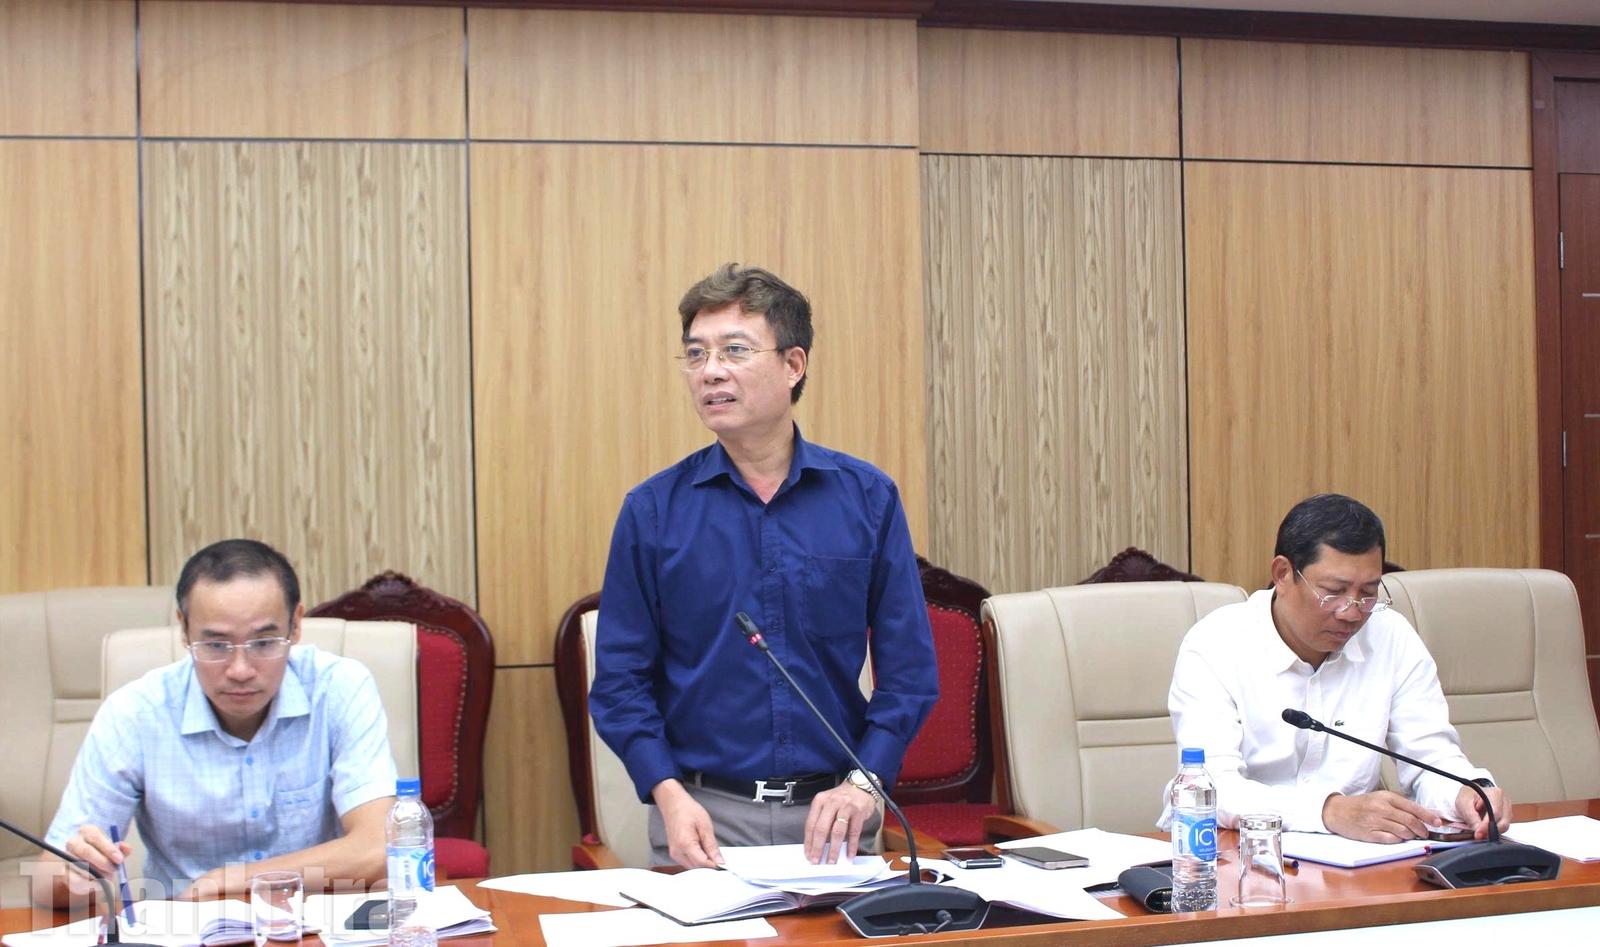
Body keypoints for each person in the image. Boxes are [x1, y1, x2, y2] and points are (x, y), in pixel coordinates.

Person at [590, 263, 939, 868]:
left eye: (734, 350)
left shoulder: (867, 498)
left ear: (793, 364)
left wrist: (865, 784)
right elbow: (620, 682)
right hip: (703, 817)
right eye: (695, 354)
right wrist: (668, 795)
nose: (710, 371)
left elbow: (909, 673)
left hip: (836, 815)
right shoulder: (653, 511)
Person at [33, 539, 397, 906]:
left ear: (296, 625)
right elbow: (46, 885)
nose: (240, 670)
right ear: (184, 629)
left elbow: (379, 848)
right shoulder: (134, 714)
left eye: (264, 642)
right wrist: (76, 878)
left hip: (314, 923)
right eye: (216, 646)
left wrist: (229, 881)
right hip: (183, 924)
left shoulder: (338, 689)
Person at [1163, 493, 1509, 843]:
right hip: (1228, 852)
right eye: (1334, 592)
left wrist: (1468, 792)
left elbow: (1429, 758)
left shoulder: (1391, 636)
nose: (1352, 612)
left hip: (1354, 858)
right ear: (1283, 574)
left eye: (1368, 592)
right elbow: (1210, 787)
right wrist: (1329, 811)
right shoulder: (1215, 644)